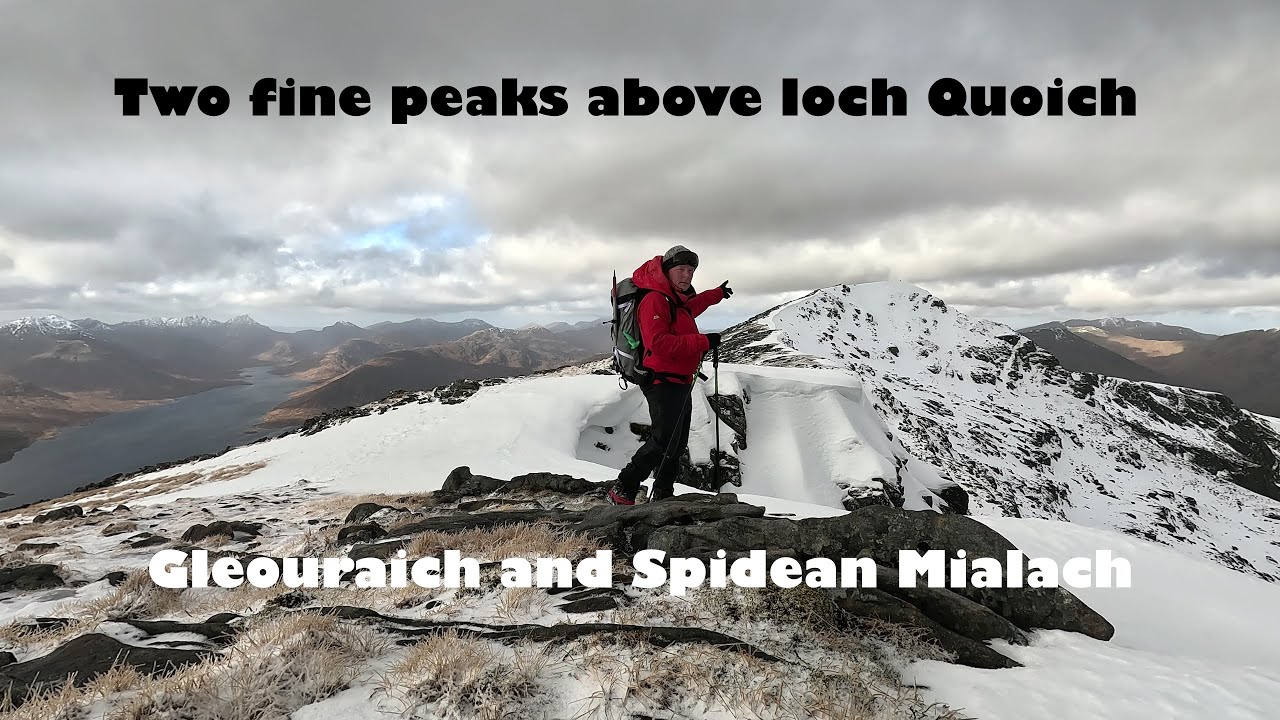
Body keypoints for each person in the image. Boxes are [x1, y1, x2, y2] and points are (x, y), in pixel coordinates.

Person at [608, 245, 732, 505]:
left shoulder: (674, 298)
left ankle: (663, 492)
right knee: (663, 439)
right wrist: (703, 342)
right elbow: (659, 343)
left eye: (690, 271)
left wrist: (717, 294)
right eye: (681, 270)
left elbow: (691, 307)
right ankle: (625, 485)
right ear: (666, 270)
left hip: (680, 380)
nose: (686, 276)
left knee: (676, 442)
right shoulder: (655, 298)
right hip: (661, 380)